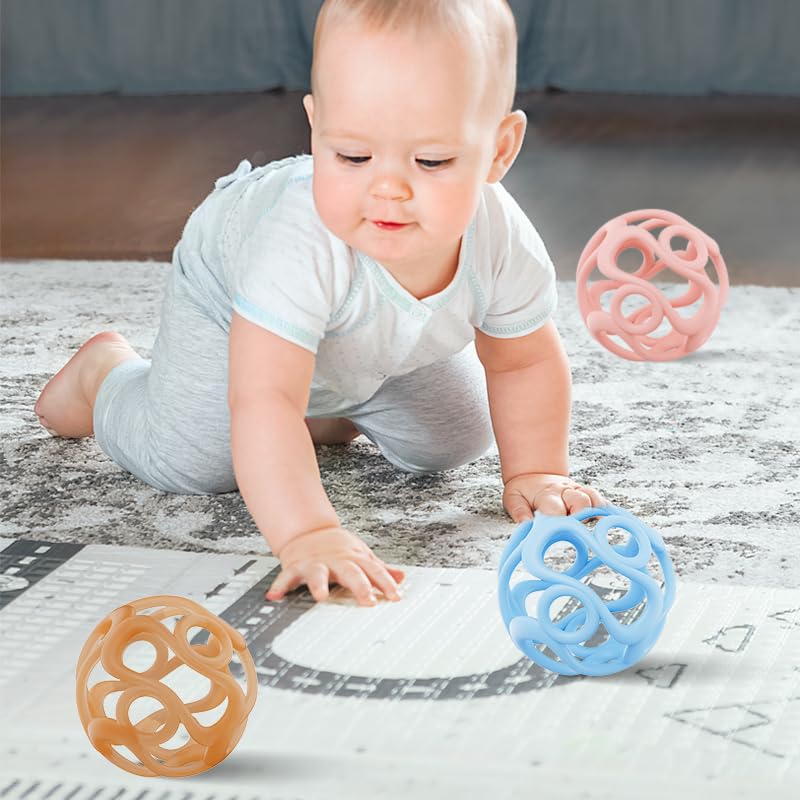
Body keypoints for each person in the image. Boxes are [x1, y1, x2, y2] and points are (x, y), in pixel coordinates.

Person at [35, 0, 605, 608]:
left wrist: (537, 472)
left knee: (454, 437)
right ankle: (106, 375)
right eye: (352, 156)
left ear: (499, 150)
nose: (387, 188)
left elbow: (522, 362)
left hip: (357, 338)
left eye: (431, 161)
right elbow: (264, 397)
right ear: (316, 130)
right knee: (198, 462)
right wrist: (309, 533)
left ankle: (329, 402)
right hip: (229, 298)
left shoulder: (501, 238)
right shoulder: (295, 243)